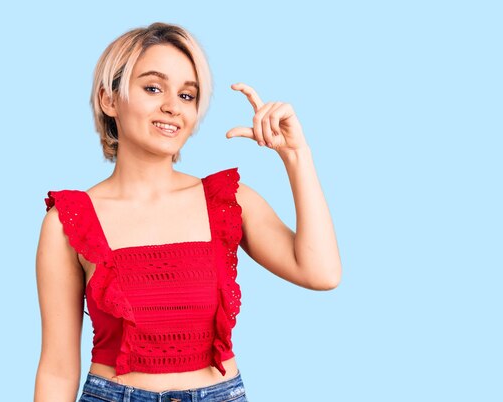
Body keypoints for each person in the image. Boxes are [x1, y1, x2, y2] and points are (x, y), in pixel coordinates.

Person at [34, 22, 341, 402]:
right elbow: (57, 369)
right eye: (152, 87)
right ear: (108, 99)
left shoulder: (228, 201)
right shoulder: (70, 220)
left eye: (187, 95)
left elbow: (322, 272)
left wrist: (297, 156)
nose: (172, 107)